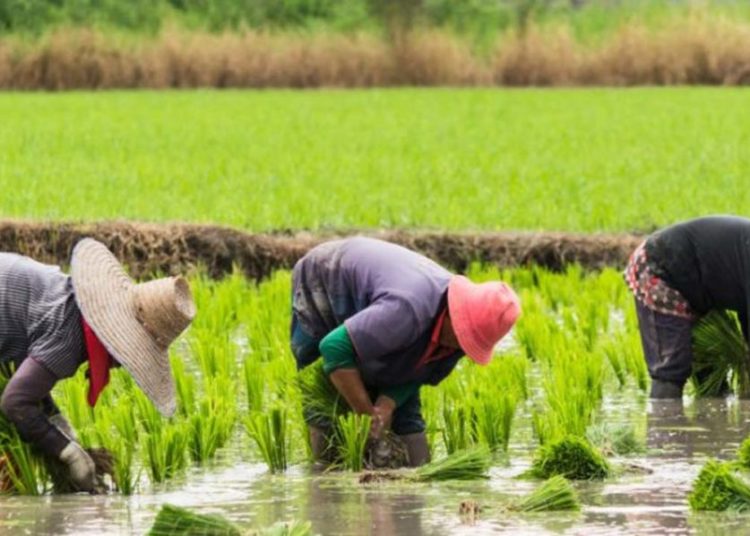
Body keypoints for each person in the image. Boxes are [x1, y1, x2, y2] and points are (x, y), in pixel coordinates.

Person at [290, 237, 520, 466]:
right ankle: (322, 478)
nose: (461, 347)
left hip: (388, 306)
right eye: (464, 336)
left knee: (405, 414)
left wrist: (386, 405)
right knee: (322, 397)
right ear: (454, 314)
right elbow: (333, 348)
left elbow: (417, 374)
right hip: (327, 276)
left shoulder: (456, 342)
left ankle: (415, 483)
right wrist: (366, 413)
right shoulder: (406, 309)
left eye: (471, 342)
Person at [0, 238, 195, 492]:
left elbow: (21, 378)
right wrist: (69, 454)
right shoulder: (70, 337)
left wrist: (59, 425)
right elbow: (15, 401)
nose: (124, 364)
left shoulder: (70, 306)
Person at [624, 215, 750, 399]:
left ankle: (712, 423)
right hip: (661, 268)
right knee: (671, 370)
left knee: (712, 376)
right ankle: (665, 423)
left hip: (698, 284)